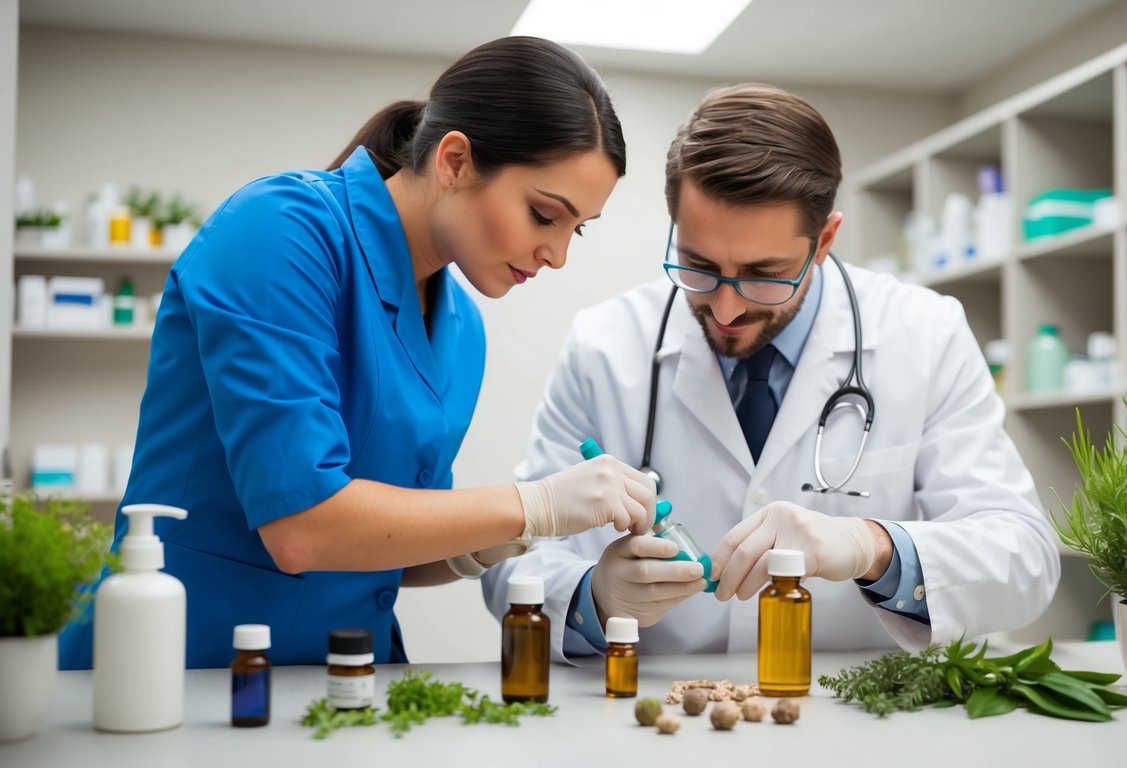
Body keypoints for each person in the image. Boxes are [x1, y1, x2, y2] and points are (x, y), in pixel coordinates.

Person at [60, 36, 657, 670]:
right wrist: (531, 502)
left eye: (577, 229)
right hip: (182, 666)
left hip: (343, 677)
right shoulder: (280, 230)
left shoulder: (460, 329)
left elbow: (395, 548)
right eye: (544, 215)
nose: (557, 255)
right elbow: (303, 527)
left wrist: (520, 538)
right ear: (454, 159)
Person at [483, 84, 1060, 661]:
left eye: (765, 273)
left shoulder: (926, 334)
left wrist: (873, 547)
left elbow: (1025, 559)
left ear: (824, 241)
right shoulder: (604, 345)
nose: (727, 309)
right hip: (662, 719)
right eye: (699, 266)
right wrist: (595, 598)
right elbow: (511, 559)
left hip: (860, 723)